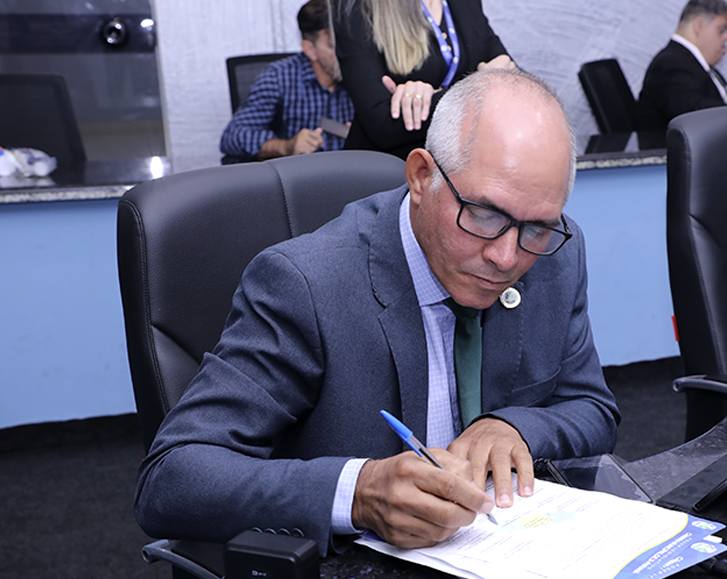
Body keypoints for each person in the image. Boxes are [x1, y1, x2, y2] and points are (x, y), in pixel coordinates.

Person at [135, 68, 620, 553]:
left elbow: (592, 408)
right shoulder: (304, 285)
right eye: (484, 215)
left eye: (536, 227)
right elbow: (171, 480)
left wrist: (515, 427)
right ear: (422, 177)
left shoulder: (556, 253)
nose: (507, 257)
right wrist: (360, 492)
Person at [332, 0, 515, 159]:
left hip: (458, 163)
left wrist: (435, 99)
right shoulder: (353, 6)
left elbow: (511, 77)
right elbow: (382, 125)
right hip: (390, 173)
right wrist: (480, 88)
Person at [219, 0, 354, 163]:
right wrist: (287, 147)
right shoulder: (278, 77)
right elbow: (233, 136)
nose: (346, 51)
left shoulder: (361, 73)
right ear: (310, 50)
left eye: (349, 42)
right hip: (300, 173)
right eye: (334, 46)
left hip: (352, 172)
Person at [635, 0, 727, 132]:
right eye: (721, 30)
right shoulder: (670, 64)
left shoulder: (690, 64)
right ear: (698, 26)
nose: (726, 37)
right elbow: (696, 114)